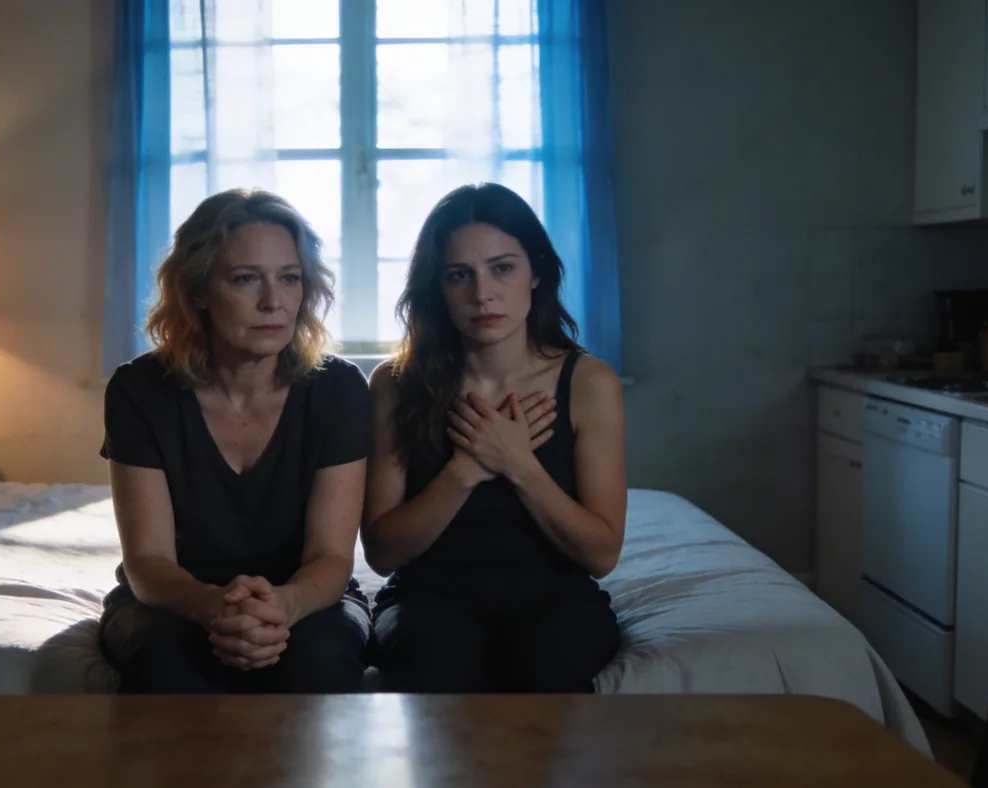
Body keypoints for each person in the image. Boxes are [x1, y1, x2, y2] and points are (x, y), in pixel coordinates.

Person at [97, 188, 372, 693]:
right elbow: (148, 561)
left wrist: (281, 607)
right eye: (246, 279)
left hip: (308, 597)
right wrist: (215, 608)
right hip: (172, 598)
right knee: (167, 661)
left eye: (289, 278)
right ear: (198, 290)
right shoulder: (140, 391)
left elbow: (332, 558)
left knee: (321, 660)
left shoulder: (339, 389)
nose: (273, 302)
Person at [361, 182, 626, 693]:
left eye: (502, 268)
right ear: (437, 288)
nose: (482, 293)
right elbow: (383, 553)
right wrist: (466, 468)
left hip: (555, 599)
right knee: (434, 660)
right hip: (427, 598)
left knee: (547, 664)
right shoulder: (395, 385)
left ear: (537, 274)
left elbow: (600, 555)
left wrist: (517, 463)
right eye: (459, 275)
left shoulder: (589, 383)